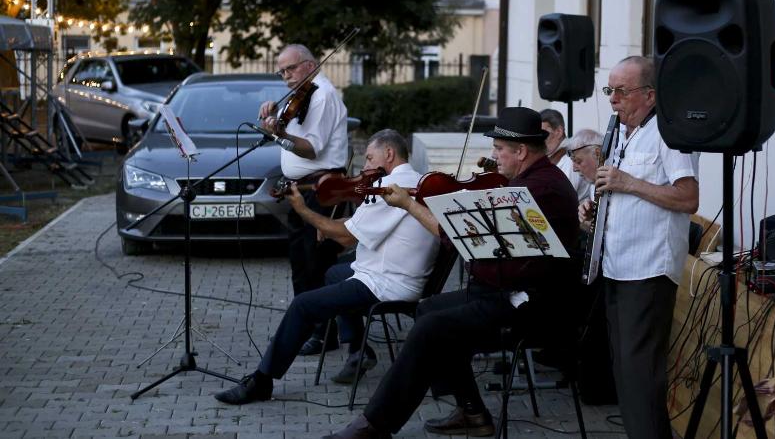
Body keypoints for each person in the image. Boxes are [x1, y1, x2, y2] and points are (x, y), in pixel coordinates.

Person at [325, 107, 580, 439]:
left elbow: (467, 239)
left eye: (500, 149)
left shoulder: (540, 188)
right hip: (504, 289)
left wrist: (412, 205)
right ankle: (472, 411)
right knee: (428, 308)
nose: (494, 156)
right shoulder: (528, 180)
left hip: (530, 302)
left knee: (434, 327)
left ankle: (375, 424)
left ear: (521, 151)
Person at [214, 130, 440, 405]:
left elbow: (346, 236)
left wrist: (306, 212)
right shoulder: (414, 180)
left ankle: (262, 381)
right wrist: (335, 226)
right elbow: (360, 225)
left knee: (303, 305)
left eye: (369, 158)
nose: (366, 167)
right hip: (398, 274)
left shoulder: (391, 187)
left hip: (386, 284)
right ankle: (357, 348)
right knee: (334, 272)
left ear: (389, 154)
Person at [579, 56, 699, 439]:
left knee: (640, 375)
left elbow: (688, 198)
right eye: (609, 90)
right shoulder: (621, 133)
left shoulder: (668, 132)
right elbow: (621, 191)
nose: (613, 99)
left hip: (647, 270)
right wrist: (595, 210)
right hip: (616, 265)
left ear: (649, 94)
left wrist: (627, 183)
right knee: (627, 376)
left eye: (621, 91)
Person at [259, 44, 349, 355]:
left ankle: (323, 333)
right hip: (301, 187)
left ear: (310, 65)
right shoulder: (303, 94)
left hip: (320, 187)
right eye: (281, 71)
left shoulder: (321, 94)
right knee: (301, 261)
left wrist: (278, 134)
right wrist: (273, 116)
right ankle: (309, 328)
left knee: (314, 261)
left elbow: (312, 148)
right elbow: (285, 131)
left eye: (290, 69)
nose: (285, 76)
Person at [540, 108, 590, 203]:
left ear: (558, 132)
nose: (539, 140)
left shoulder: (571, 158)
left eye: (543, 134)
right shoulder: (553, 156)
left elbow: (561, 198)